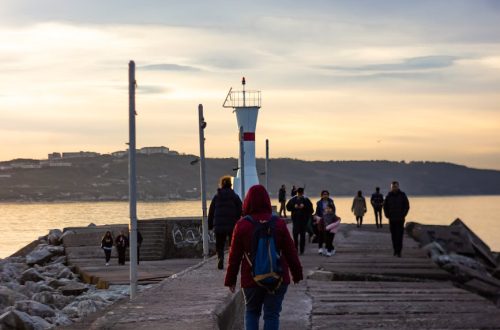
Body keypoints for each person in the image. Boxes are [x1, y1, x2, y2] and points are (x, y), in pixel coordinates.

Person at [225, 185, 303, 330]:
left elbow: (234, 256)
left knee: (252, 312)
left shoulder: (242, 225)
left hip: (251, 278)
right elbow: (290, 251)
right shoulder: (278, 223)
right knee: (272, 315)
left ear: (248, 201)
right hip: (278, 277)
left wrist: (230, 279)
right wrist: (297, 274)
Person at [208, 175, 243, 270]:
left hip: (219, 225)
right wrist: (238, 219)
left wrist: (210, 225)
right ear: (231, 185)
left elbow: (211, 211)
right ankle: (232, 262)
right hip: (232, 224)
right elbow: (241, 209)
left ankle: (220, 258)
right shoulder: (235, 196)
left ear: (221, 185)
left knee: (220, 244)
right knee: (233, 244)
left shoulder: (217, 196)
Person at [383, 181, 410, 257]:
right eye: (393, 187)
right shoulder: (388, 196)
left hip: (400, 219)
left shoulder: (402, 195)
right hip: (392, 219)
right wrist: (387, 215)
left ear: (398, 187)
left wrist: (403, 214)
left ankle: (399, 251)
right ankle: (395, 250)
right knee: (394, 235)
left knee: (400, 235)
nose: (394, 188)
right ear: (391, 187)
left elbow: (407, 206)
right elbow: (385, 206)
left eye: (395, 186)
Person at [286, 187, 313, 255]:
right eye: (299, 193)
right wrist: (294, 206)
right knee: (296, 235)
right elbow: (288, 208)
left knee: (302, 236)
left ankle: (301, 250)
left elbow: (311, 210)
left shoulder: (306, 200)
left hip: (303, 220)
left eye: (300, 193)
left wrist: (304, 206)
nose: (300, 194)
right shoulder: (293, 200)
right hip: (296, 220)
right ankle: (297, 249)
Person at [314, 190, 336, 255]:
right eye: (324, 194)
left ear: (328, 195)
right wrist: (316, 217)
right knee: (320, 234)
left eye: (326, 194)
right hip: (321, 220)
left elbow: (334, 211)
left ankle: (328, 248)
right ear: (321, 195)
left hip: (329, 220)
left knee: (328, 236)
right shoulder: (319, 203)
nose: (325, 195)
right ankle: (320, 248)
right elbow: (317, 212)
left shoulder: (331, 202)